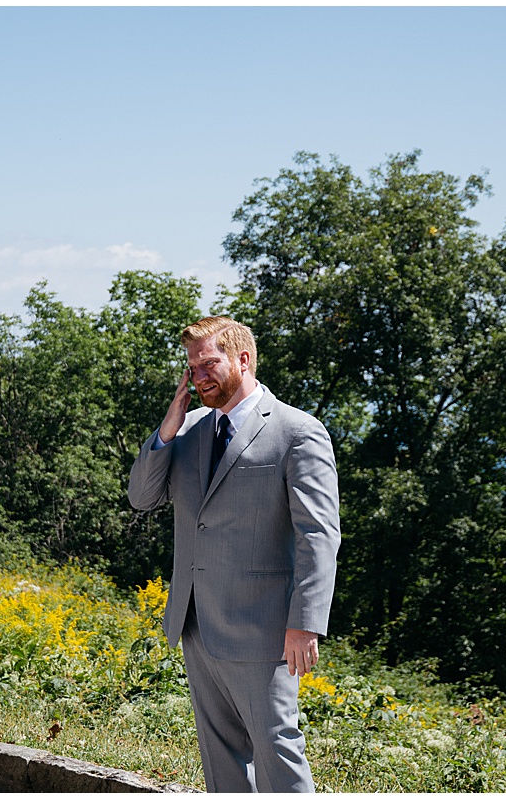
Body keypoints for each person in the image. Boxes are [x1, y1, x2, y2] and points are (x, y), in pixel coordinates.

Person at [128, 316, 340, 793]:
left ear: (242, 360)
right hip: (196, 623)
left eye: (208, 364)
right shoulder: (189, 431)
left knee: (276, 749)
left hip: (263, 630)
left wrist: (305, 622)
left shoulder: (298, 432)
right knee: (220, 759)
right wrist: (167, 427)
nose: (198, 377)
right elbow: (142, 496)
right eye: (191, 368)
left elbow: (318, 535)